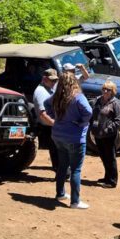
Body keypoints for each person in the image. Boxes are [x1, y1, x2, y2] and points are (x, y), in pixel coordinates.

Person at [45, 72, 93, 209]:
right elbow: (89, 112)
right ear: (74, 82)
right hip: (74, 137)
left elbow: (45, 104)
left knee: (63, 165)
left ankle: (60, 193)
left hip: (58, 136)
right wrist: (81, 122)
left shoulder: (57, 96)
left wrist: (55, 116)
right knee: (76, 169)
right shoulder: (78, 97)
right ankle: (75, 201)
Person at [91, 80, 120, 188]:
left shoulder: (115, 103)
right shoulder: (98, 100)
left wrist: (107, 130)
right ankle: (107, 177)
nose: (105, 91)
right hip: (98, 134)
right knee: (103, 156)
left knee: (110, 157)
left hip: (109, 136)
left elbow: (118, 121)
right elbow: (93, 114)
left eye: (107, 90)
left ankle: (112, 181)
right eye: (103, 88)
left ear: (112, 91)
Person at [32, 68, 59, 171]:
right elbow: (43, 114)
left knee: (58, 149)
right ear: (44, 79)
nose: (54, 82)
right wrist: (56, 124)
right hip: (50, 126)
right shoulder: (41, 92)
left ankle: (62, 172)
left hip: (54, 124)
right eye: (52, 80)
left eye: (55, 80)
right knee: (56, 150)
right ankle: (61, 172)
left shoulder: (50, 88)